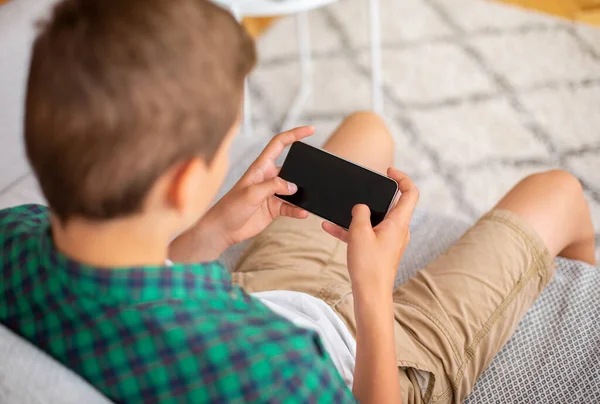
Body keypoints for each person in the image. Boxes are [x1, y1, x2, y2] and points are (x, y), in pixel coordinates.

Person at [0, 0, 595, 403]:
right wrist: (372, 287)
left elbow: (145, 275)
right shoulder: (283, 374)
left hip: (264, 294)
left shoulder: (12, 238)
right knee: (559, 191)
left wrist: (216, 229)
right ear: (184, 181)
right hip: (369, 358)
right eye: (228, 143)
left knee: (366, 130)